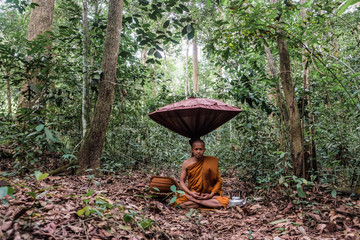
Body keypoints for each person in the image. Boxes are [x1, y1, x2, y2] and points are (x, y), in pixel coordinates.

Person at [174, 139, 229, 209]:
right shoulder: (186, 163)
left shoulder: (212, 161)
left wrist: (211, 195)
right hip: (193, 194)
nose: (198, 151)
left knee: (224, 201)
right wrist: (190, 193)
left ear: (204, 150)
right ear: (192, 150)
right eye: (196, 149)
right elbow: (181, 181)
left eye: (200, 149)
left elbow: (219, 181)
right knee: (179, 203)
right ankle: (205, 203)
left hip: (207, 195)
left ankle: (197, 202)